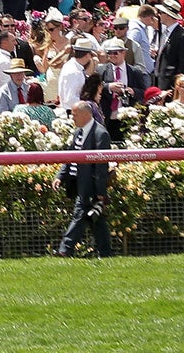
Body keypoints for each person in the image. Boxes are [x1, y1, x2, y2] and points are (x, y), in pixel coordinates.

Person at [54, 99, 113, 258]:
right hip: (78, 184)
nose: (72, 118)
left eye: (75, 115)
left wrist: (100, 191)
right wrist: (60, 176)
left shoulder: (101, 134)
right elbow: (70, 156)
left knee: (79, 215)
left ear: (86, 114)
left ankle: (65, 250)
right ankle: (105, 252)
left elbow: (101, 166)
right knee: (96, 220)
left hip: (90, 186)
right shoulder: (77, 132)